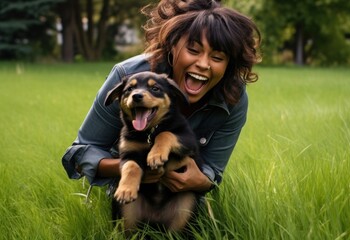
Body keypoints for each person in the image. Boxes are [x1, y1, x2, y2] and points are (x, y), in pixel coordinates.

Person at [62, 0, 261, 199]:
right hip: (130, 195)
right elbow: (79, 154)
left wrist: (200, 181)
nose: (203, 64)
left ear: (229, 64)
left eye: (217, 58)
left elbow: (213, 171)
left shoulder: (232, 98)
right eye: (193, 50)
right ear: (172, 45)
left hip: (181, 200)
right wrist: (130, 167)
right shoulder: (129, 77)